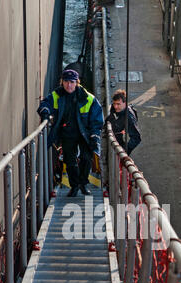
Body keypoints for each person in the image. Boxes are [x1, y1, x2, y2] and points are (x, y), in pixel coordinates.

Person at [37, 69, 104, 197]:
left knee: (86, 158)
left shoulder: (89, 98)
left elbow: (97, 118)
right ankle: (74, 186)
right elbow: (45, 104)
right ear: (62, 82)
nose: (69, 85)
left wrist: (95, 134)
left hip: (85, 133)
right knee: (70, 161)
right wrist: (45, 112)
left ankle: (83, 183)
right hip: (68, 133)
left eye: (72, 82)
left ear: (77, 83)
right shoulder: (56, 95)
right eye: (66, 82)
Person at [106, 89, 141, 156]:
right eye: (114, 104)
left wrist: (125, 151)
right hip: (113, 137)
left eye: (118, 104)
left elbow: (136, 138)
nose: (115, 106)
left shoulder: (129, 117)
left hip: (119, 148)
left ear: (125, 103)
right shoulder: (115, 108)